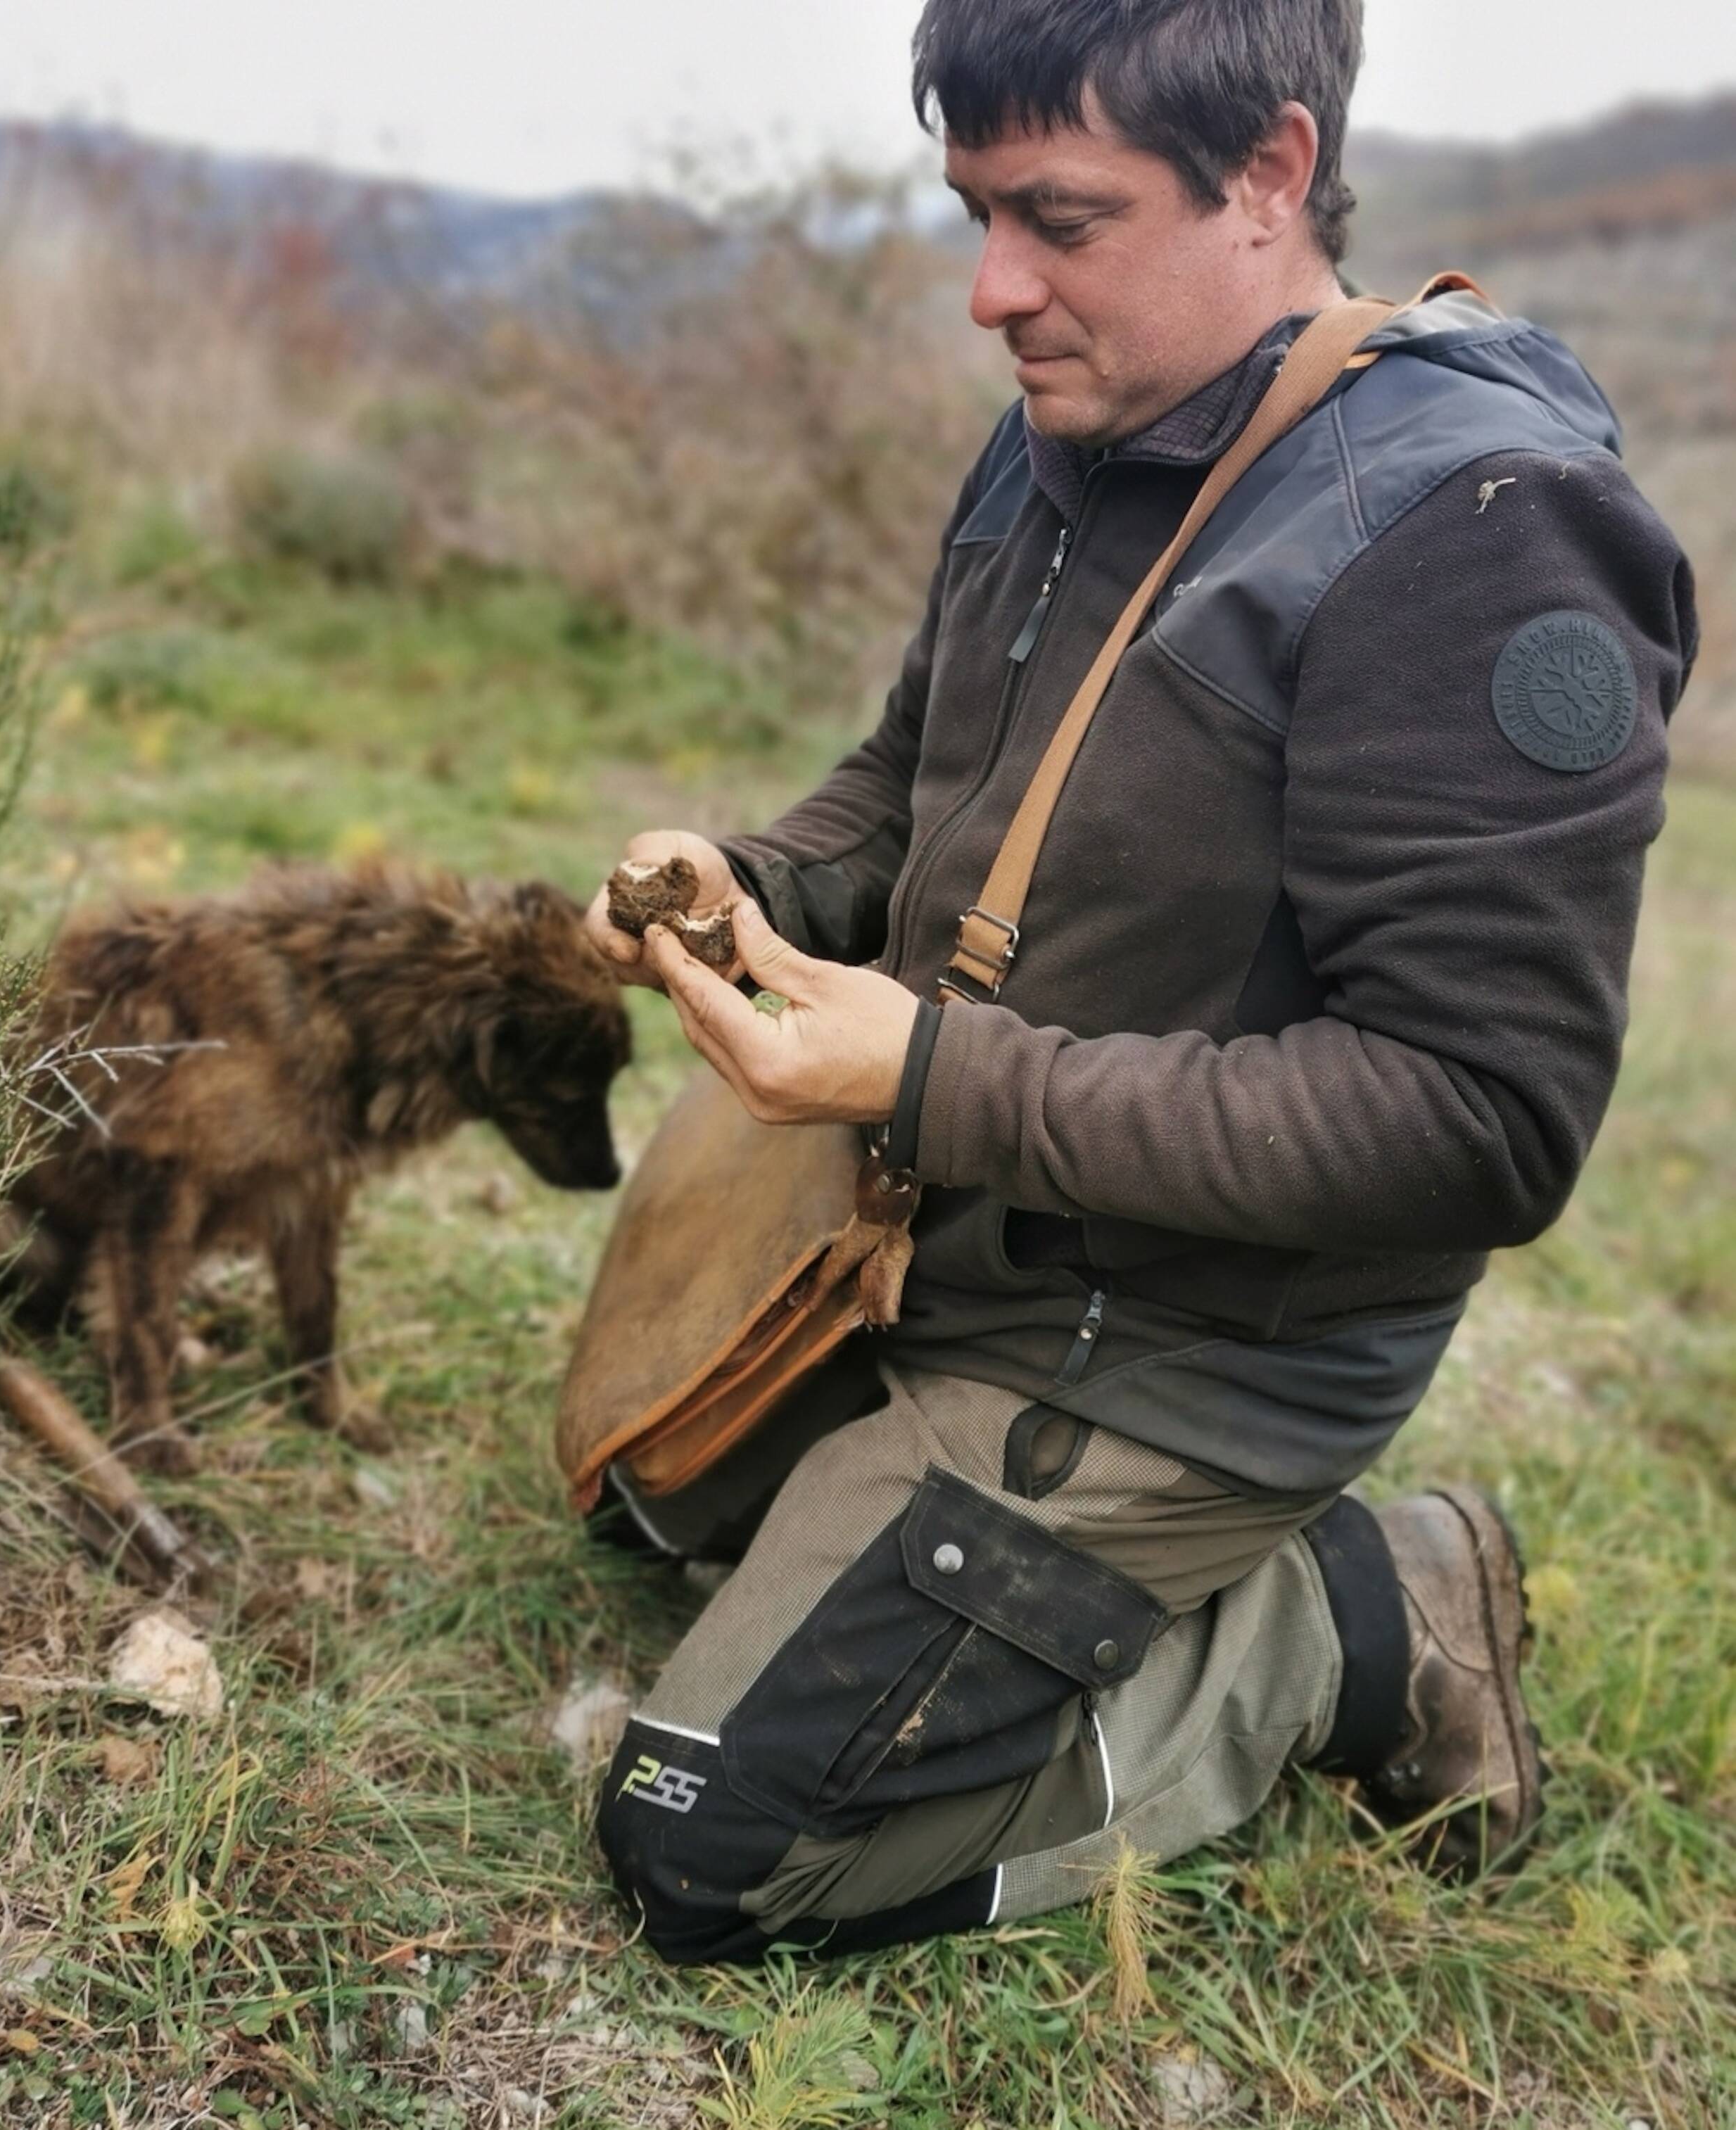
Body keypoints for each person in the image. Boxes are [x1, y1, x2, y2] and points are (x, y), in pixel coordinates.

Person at [581, 0, 1697, 1965]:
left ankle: (1354, 1615)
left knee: (711, 1837)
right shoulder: (1064, 432)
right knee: (650, 1504)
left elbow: (1480, 1124)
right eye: (974, 215)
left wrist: (928, 1074)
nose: (993, 291)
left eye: (1062, 219)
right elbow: (913, 781)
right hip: (956, 1234)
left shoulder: (1482, 536)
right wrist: (748, 879)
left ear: (1270, 171)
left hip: (1185, 1341)